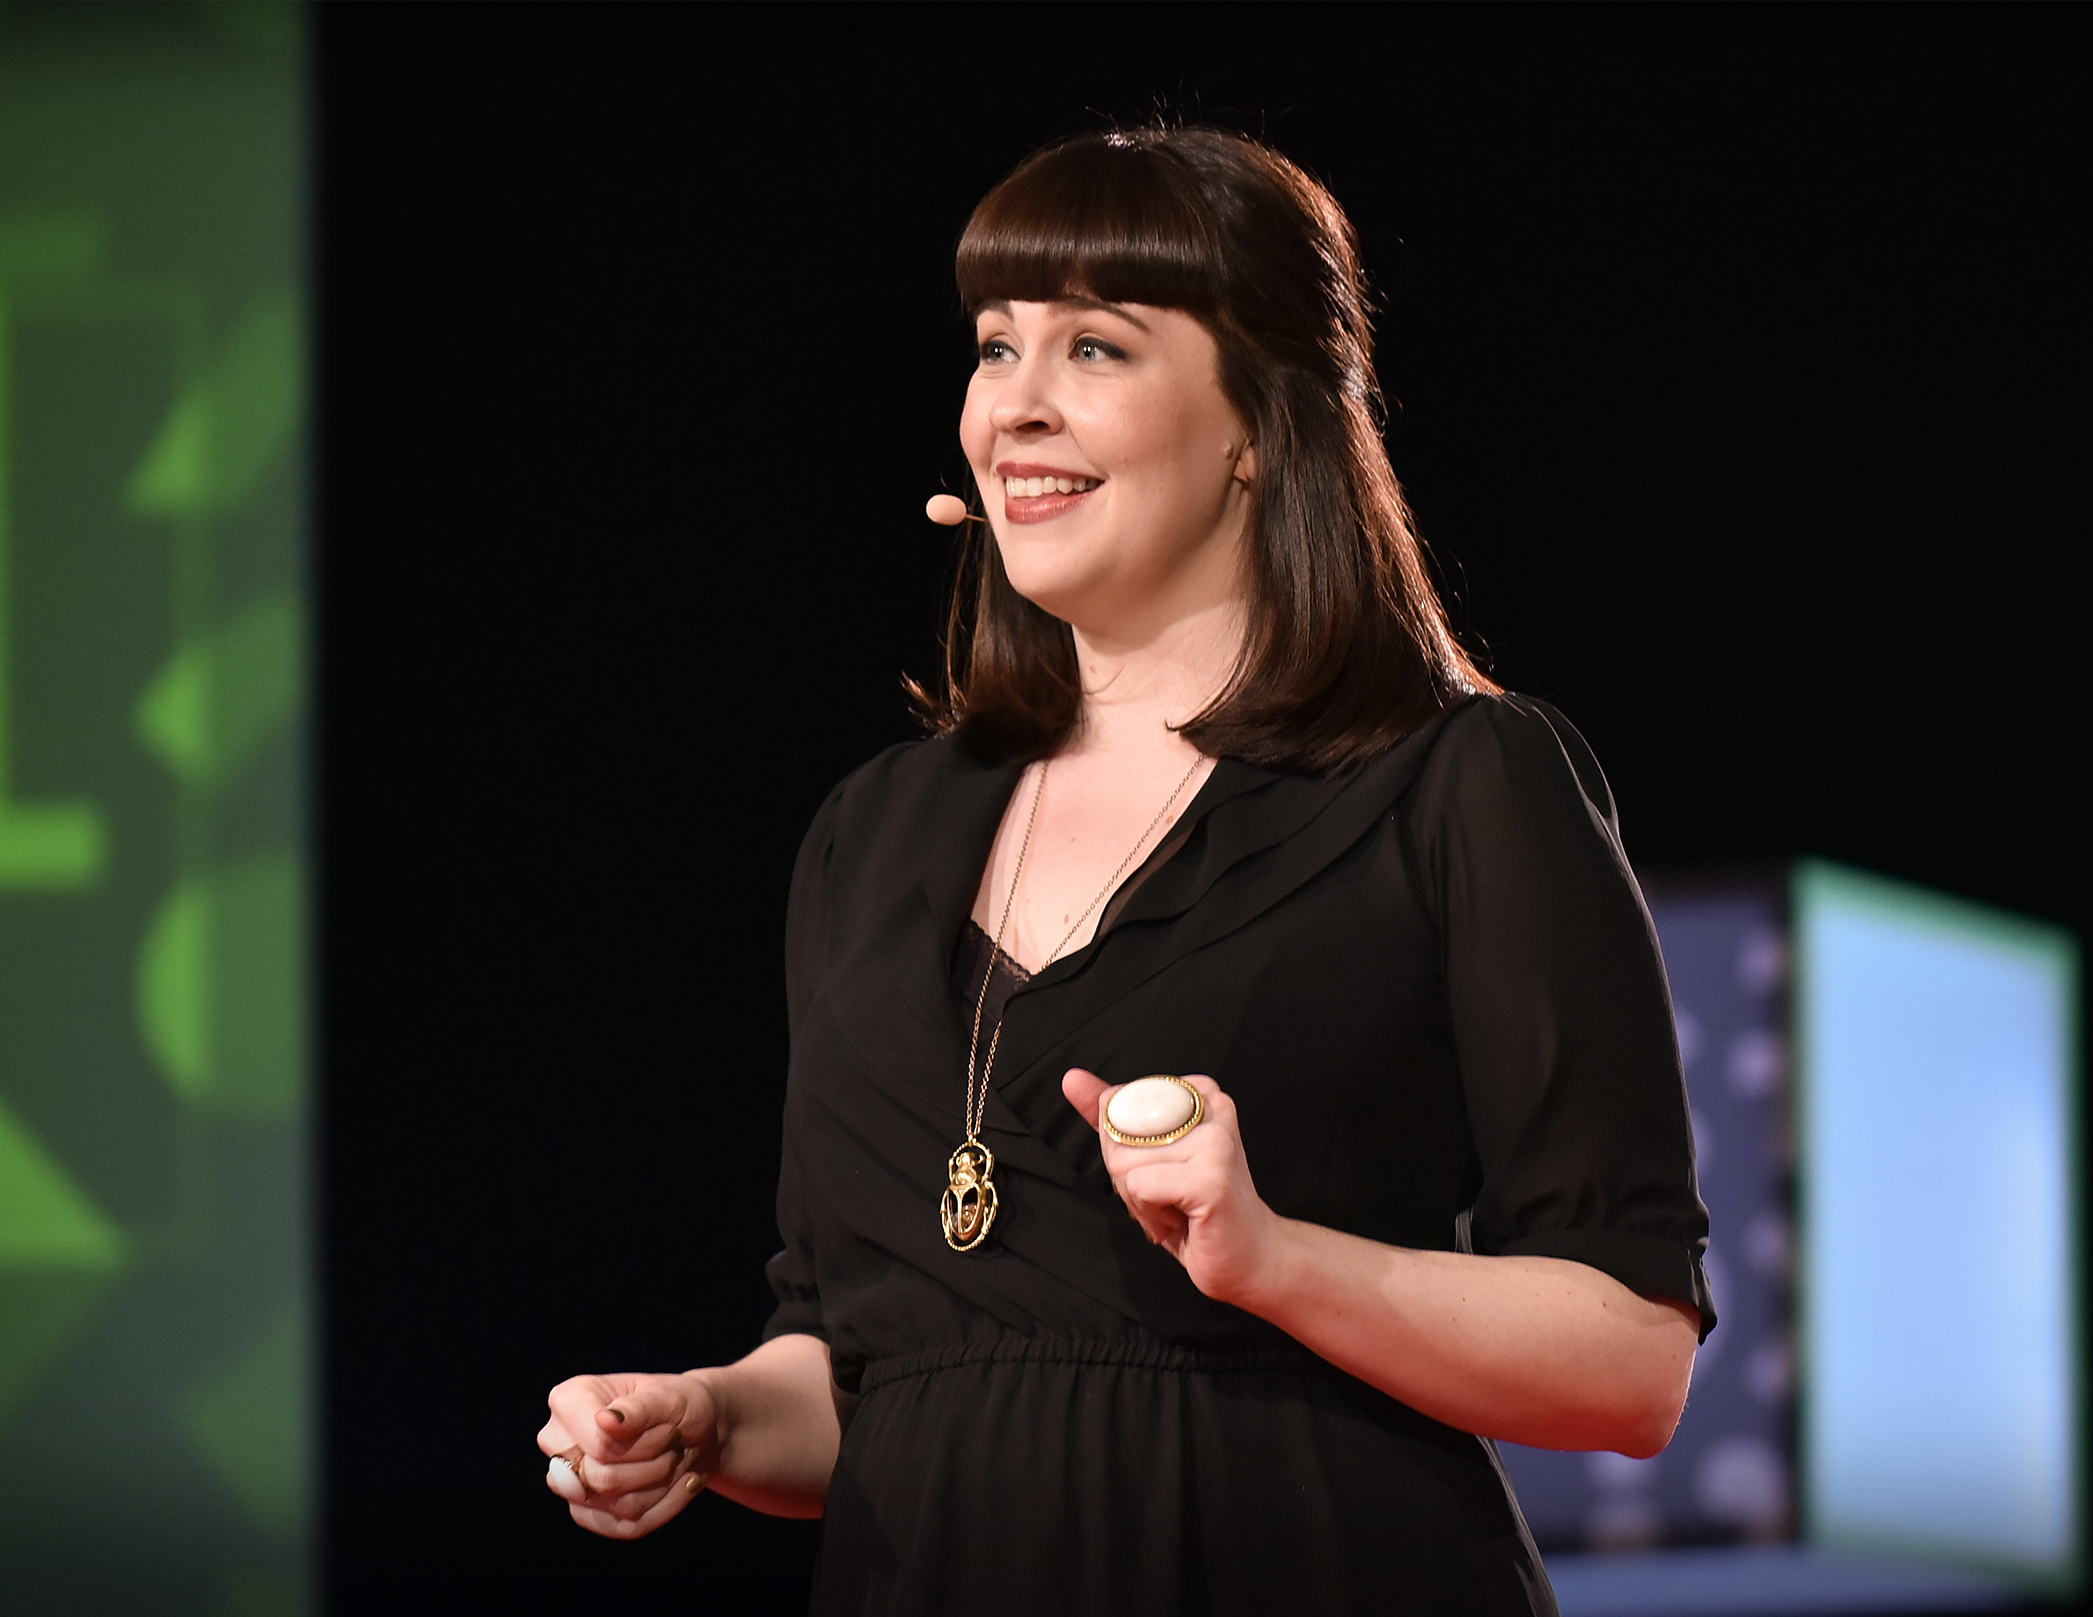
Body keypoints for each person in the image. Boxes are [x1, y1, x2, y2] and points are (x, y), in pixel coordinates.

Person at [537, 124, 1712, 1615]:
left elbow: (1629, 1360)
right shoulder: (873, 831)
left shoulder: (1459, 781)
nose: (1015, 406)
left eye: (1094, 349)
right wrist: (705, 1417)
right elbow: (865, 1363)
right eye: (993, 348)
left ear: (1256, 421)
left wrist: (1273, 1258)